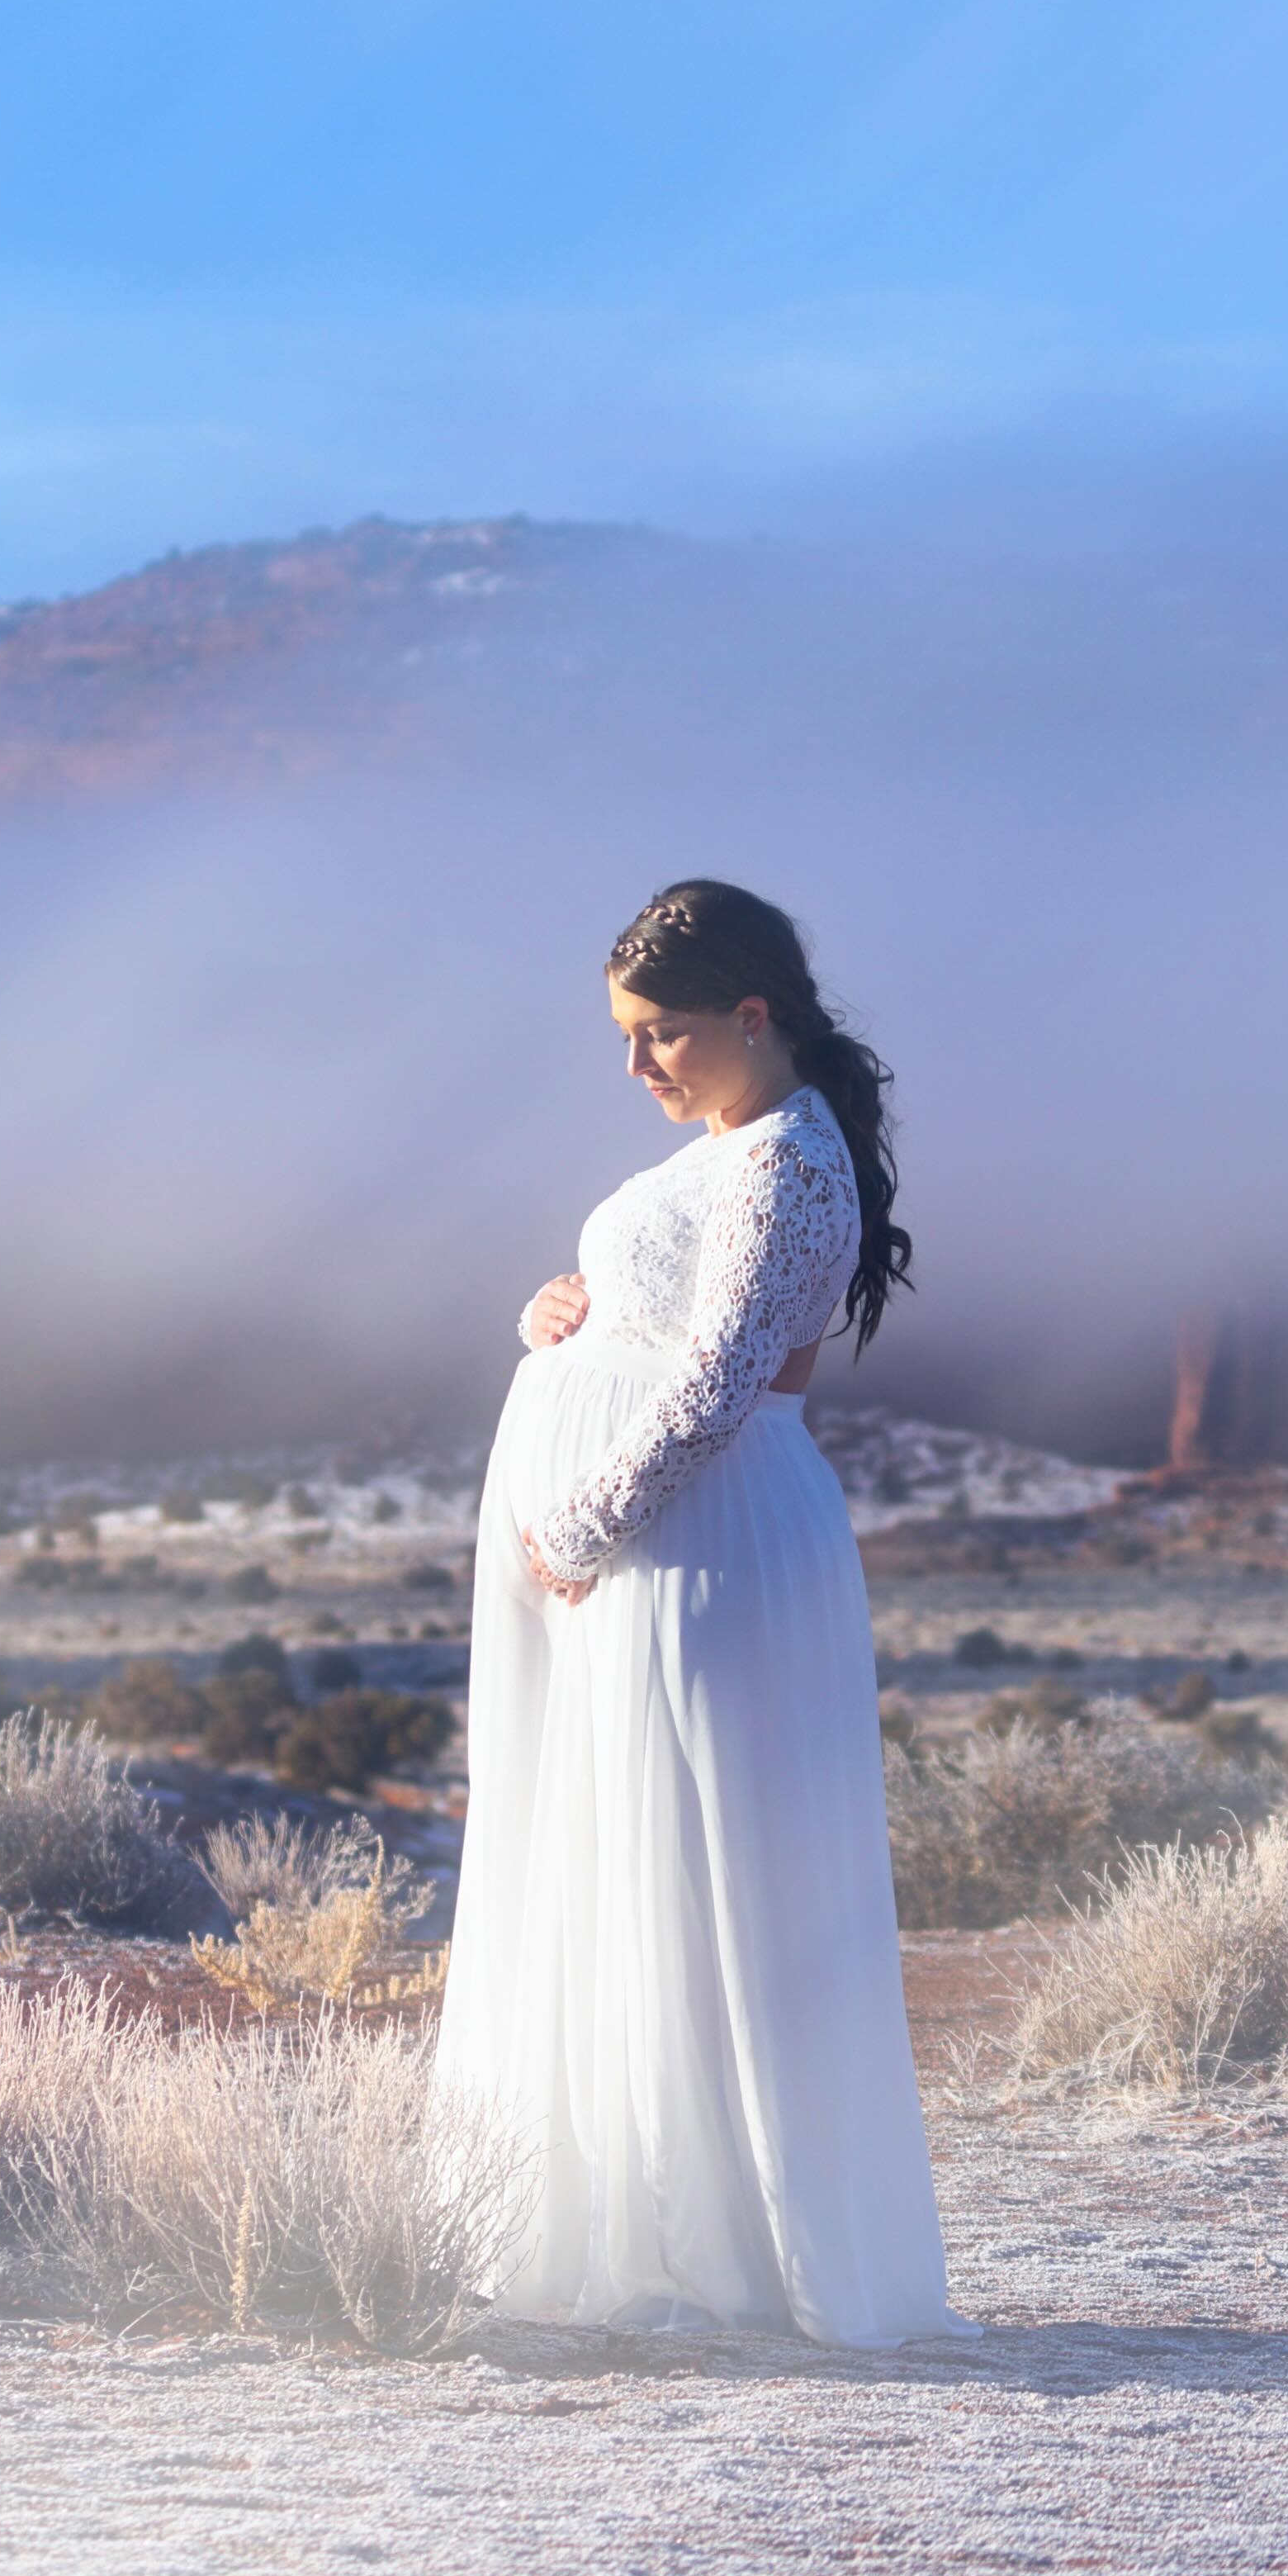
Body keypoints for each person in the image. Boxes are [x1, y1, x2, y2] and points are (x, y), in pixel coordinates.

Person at [432, 880, 977, 2346]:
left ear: (754, 1015)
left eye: (661, 1034)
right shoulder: (739, 1146)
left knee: (701, 1879)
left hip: (692, 1549)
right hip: (645, 1548)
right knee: (625, 1867)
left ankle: (728, 2250)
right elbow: (653, 1316)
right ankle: (627, 2220)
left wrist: (579, 1525)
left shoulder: (790, 1162)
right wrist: (553, 1313)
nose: (638, 1068)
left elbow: (717, 1386)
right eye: (626, 1038)